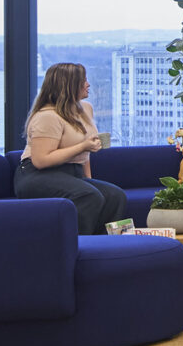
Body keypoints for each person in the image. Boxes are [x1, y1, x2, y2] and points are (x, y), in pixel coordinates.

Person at [15, 62, 126, 235]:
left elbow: (86, 152)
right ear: (69, 86)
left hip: (71, 173)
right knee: (88, 195)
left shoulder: (86, 109)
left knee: (115, 195)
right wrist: (82, 146)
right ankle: (76, 245)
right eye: (83, 81)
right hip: (37, 176)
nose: (88, 84)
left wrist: (89, 180)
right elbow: (41, 160)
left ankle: (106, 244)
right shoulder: (47, 116)